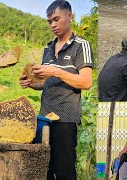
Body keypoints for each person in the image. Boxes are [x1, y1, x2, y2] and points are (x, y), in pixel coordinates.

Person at [19, 1, 93, 179]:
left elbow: (86, 82)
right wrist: (30, 83)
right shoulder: (48, 48)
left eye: (56, 19)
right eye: (49, 21)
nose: (53, 25)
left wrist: (56, 71)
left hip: (65, 119)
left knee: (64, 171)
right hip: (44, 119)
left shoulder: (80, 45)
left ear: (69, 16)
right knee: (44, 169)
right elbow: (45, 83)